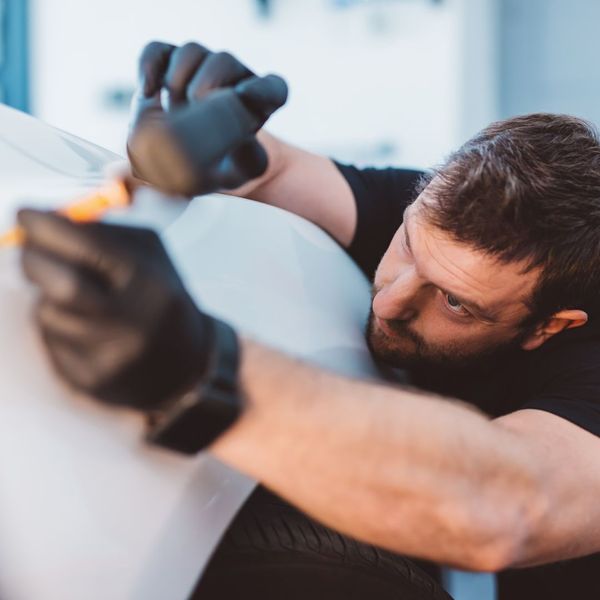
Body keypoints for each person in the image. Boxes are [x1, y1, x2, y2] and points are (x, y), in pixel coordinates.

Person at [18, 42, 600, 599]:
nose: (391, 303)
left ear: (551, 326)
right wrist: (202, 136)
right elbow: (272, 171)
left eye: (455, 304)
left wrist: (205, 373)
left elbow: (510, 506)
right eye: (405, 247)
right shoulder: (449, 224)